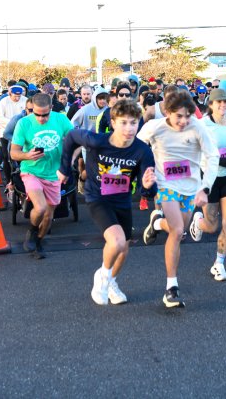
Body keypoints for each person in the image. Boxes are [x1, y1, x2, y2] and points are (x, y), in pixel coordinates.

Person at [58, 99, 156, 305]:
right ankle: (102, 277)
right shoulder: (97, 141)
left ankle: (111, 282)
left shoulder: (142, 151)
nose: (129, 128)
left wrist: (147, 186)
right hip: (97, 197)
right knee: (117, 241)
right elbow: (70, 137)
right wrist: (65, 169)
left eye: (133, 123)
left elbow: (146, 190)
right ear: (112, 123)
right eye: (123, 123)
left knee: (124, 248)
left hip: (122, 200)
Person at [137, 90, 219, 308]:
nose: (183, 121)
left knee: (179, 226)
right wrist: (145, 172)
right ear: (168, 112)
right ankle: (171, 288)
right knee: (177, 231)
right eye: (178, 116)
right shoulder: (154, 127)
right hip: (166, 185)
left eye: (187, 116)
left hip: (191, 188)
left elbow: (213, 156)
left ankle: (156, 222)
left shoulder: (198, 128)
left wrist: (205, 188)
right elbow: (135, 149)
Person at [188, 88, 226, 281]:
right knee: (212, 226)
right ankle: (198, 222)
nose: (223, 105)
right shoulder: (202, 125)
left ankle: (219, 263)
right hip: (209, 178)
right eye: (219, 102)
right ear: (210, 105)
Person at [11, 93, 74, 259]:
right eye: (36, 113)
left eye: (44, 114)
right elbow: (14, 153)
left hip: (54, 174)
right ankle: (32, 231)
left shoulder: (60, 119)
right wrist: (26, 155)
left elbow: (75, 141)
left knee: (48, 216)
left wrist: (68, 165)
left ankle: (38, 241)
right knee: (40, 208)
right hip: (31, 171)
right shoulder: (23, 123)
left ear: (51, 109)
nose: (40, 118)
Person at [0, 85, 28, 173]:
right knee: (7, 157)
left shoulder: (25, 100)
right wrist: (11, 122)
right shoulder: (4, 102)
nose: (17, 98)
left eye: (19, 96)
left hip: (22, 132)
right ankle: (8, 179)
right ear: (10, 94)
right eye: (15, 96)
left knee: (21, 155)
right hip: (6, 132)